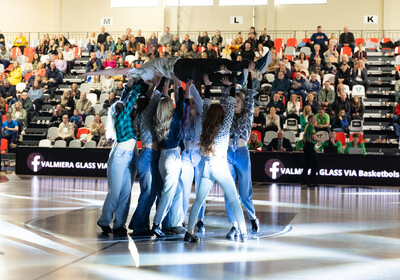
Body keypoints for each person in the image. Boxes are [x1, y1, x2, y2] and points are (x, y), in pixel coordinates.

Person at [184, 75, 249, 243]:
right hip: (219, 165)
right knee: (234, 200)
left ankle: (189, 232)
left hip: (206, 165)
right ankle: (244, 233)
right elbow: (228, 105)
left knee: (198, 201)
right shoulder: (224, 127)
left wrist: (206, 85)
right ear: (221, 117)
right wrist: (232, 86)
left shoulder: (205, 124)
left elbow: (205, 106)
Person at [97, 80, 144, 236]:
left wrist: (128, 86)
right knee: (115, 192)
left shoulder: (123, 114)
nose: (120, 104)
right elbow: (129, 100)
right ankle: (104, 220)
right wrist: (140, 83)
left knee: (125, 193)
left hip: (129, 156)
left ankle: (119, 224)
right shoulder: (121, 116)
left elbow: (125, 99)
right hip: (119, 156)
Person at [151, 77, 189, 237]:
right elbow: (183, 101)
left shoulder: (158, 119)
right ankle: (157, 223)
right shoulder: (174, 120)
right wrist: (179, 83)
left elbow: (179, 101)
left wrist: (171, 82)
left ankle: (175, 223)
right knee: (168, 194)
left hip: (163, 158)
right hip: (172, 158)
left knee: (178, 192)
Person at [224, 66, 259, 239]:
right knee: (229, 191)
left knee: (245, 193)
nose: (235, 103)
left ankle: (252, 218)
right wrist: (231, 80)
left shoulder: (248, 113)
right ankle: (234, 225)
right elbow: (227, 98)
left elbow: (251, 94)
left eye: (238, 101)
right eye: (234, 101)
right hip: (227, 154)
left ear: (243, 103)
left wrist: (250, 75)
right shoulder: (228, 114)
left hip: (242, 153)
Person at [178, 82, 205, 232]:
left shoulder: (202, 115)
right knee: (184, 189)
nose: (193, 104)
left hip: (200, 156)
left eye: (195, 102)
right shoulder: (184, 116)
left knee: (201, 189)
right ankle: (181, 219)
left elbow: (199, 101)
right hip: (186, 156)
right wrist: (185, 90)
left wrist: (191, 86)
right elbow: (184, 101)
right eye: (191, 102)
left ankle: (200, 219)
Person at [301, 115, 322, 186]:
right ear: (309, 119)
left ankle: (304, 180)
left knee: (307, 164)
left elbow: (305, 136)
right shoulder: (310, 126)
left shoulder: (307, 126)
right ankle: (312, 180)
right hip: (309, 146)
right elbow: (313, 137)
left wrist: (316, 137)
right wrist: (320, 139)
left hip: (307, 146)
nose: (315, 120)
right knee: (316, 162)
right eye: (313, 119)